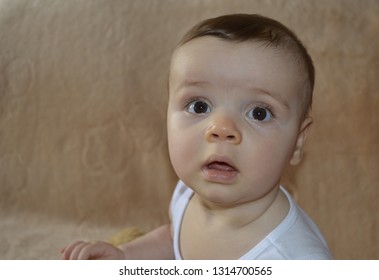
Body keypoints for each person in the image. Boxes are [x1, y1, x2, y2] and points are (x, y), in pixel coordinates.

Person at [62, 13, 332, 260]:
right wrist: (125, 256)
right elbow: (172, 237)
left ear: (298, 141)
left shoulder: (294, 258)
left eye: (259, 113)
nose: (221, 128)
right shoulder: (187, 193)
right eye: (199, 106)